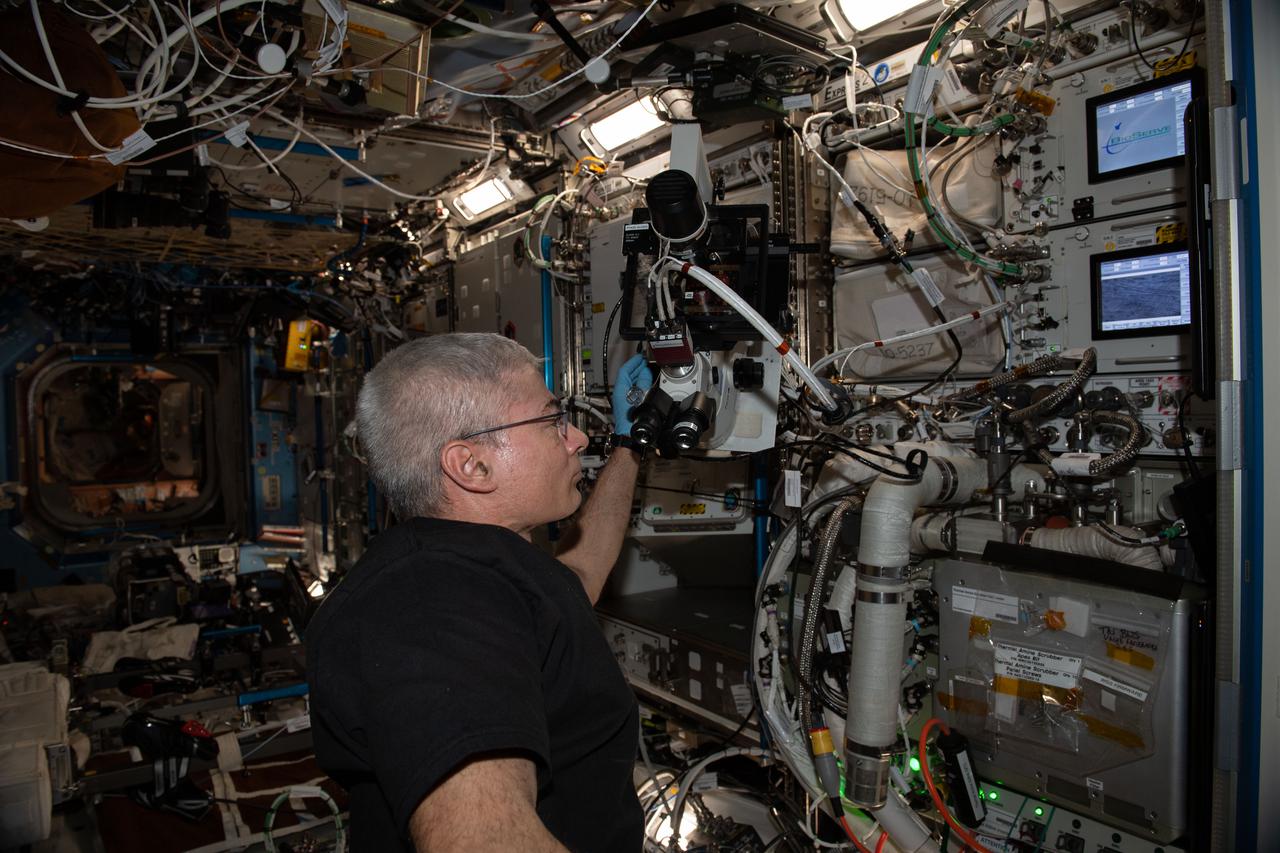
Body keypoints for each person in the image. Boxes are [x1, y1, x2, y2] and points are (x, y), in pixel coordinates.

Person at [306, 332, 654, 853]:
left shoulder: (474, 573)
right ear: (471, 465)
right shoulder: (432, 604)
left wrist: (631, 444)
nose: (578, 438)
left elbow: (579, 577)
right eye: (553, 421)